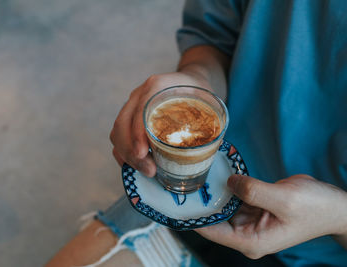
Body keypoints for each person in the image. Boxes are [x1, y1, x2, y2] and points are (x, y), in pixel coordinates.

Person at [47, 0, 347, 266]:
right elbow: (213, 34)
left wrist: (338, 218)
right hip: (199, 190)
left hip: (322, 251)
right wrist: (197, 78)